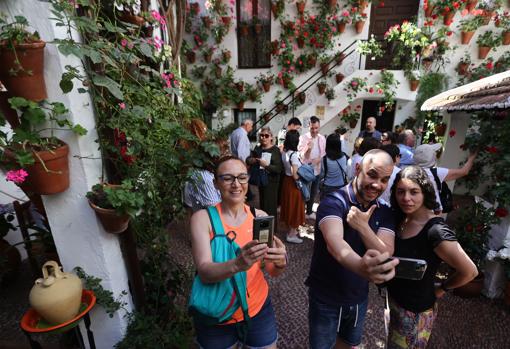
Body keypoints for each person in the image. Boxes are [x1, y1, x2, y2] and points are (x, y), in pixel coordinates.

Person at [190, 156, 288, 349]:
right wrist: (237, 264)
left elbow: (272, 271)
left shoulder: (259, 217)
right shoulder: (202, 219)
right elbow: (204, 271)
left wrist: (280, 262)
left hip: (257, 310)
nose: (236, 184)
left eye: (242, 177)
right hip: (216, 316)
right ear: (216, 183)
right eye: (227, 178)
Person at [306, 149, 400, 349]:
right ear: (358, 168)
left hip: (358, 297)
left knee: (349, 345)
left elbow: (386, 252)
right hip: (326, 297)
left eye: (385, 180)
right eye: (372, 175)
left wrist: (362, 227)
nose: (377, 185)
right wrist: (362, 268)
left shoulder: (384, 210)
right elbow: (335, 244)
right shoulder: (333, 201)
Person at [387, 166, 478, 349]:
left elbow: (470, 271)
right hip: (395, 303)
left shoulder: (435, 231)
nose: (406, 198)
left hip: (416, 313)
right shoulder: (402, 219)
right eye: (400, 192)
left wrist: (443, 288)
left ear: (426, 192)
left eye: (414, 192)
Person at [413, 143, 477, 213]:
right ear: (432, 158)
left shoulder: (409, 172)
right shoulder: (435, 173)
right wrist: (472, 157)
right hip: (432, 214)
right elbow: (464, 171)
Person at [246, 127, 283, 221]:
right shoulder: (258, 148)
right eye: (261, 135)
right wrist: (252, 160)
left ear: (271, 137)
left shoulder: (275, 150)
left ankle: (272, 231)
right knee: (261, 205)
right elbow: (248, 159)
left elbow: (278, 169)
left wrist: (266, 166)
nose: (263, 137)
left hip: (271, 183)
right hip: (260, 181)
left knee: (270, 207)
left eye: (266, 135)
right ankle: (263, 228)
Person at [280, 130, 306, 243]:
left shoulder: (285, 152)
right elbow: (295, 175)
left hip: (286, 181)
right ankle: (291, 235)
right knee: (295, 208)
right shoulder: (294, 155)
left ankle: (291, 230)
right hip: (293, 184)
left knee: (288, 206)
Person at [298, 116, 326, 220]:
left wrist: (319, 159)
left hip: (317, 170)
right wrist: (308, 149)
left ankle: (309, 212)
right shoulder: (303, 138)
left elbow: (323, 153)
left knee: (314, 192)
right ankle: (300, 213)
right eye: (312, 128)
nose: (314, 130)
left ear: (319, 127)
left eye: (316, 128)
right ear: (309, 126)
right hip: (306, 171)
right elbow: (300, 155)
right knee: (305, 193)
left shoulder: (322, 138)